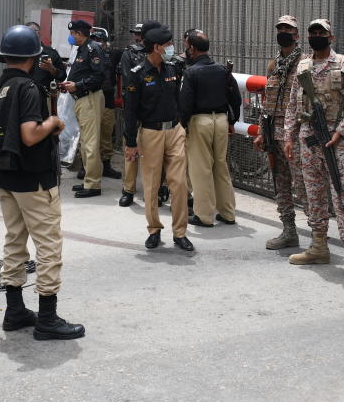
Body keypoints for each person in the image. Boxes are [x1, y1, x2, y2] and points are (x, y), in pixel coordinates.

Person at [0, 24, 85, 341]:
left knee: (15, 243)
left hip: (7, 178)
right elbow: (28, 135)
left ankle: (14, 312)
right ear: (32, 57)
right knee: (49, 247)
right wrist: (52, 122)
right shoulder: (27, 88)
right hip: (34, 179)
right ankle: (48, 319)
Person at [284, 19, 344, 282]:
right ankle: (319, 246)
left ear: (331, 37)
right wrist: (289, 135)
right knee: (313, 194)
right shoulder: (303, 66)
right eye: (313, 33)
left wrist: (340, 130)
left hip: (335, 141)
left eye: (322, 33)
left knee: (341, 196)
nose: (317, 36)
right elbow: (292, 104)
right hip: (308, 137)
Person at [124, 26, 193, 252]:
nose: (172, 48)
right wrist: (131, 142)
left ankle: (180, 232)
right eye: (168, 44)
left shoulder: (173, 68)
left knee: (179, 183)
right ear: (156, 47)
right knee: (152, 185)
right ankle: (154, 229)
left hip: (174, 131)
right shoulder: (137, 73)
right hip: (151, 134)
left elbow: (178, 100)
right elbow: (130, 110)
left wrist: (181, 124)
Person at [254, 15, 307, 249]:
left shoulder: (306, 62)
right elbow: (268, 101)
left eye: (288, 29)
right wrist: (260, 131)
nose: (283, 32)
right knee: (281, 184)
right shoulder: (274, 65)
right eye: (280, 28)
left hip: (295, 135)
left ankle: (318, 233)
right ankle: (289, 231)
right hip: (273, 133)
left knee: (305, 185)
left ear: (297, 35)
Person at [179, 31, 241, 227]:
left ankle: (204, 215)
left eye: (187, 47)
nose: (186, 50)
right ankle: (228, 213)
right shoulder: (222, 70)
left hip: (200, 122)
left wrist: (182, 124)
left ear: (193, 49)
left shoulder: (190, 72)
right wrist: (233, 120)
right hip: (221, 121)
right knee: (221, 167)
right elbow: (235, 99)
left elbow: (185, 103)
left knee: (201, 169)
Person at [115, 21, 161, 207]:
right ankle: (128, 189)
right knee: (131, 148)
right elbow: (129, 82)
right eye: (135, 33)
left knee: (156, 154)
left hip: (155, 111)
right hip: (135, 109)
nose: (137, 37)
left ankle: (159, 188)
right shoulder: (130, 54)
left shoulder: (161, 54)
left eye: (140, 34)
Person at [61, 19, 106, 198]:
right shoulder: (82, 49)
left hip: (89, 98)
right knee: (85, 141)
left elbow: (99, 76)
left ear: (79, 33)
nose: (71, 37)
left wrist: (77, 85)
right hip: (81, 99)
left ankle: (93, 184)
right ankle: (89, 179)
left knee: (91, 142)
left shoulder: (93, 48)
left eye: (73, 34)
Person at [91, 27, 123, 181]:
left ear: (106, 42)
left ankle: (106, 165)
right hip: (91, 99)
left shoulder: (113, 54)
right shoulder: (85, 54)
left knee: (106, 133)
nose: (97, 43)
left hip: (108, 100)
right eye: (94, 40)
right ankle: (88, 168)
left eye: (100, 40)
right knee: (90, 136)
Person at [25, 21, 66, 90]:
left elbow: (62, 76)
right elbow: (0, 57)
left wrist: (52, 69)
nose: (30, 34)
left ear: (39, 33)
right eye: (27, 32)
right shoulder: (20, 51)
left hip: (42, 94)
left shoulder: (51, 53)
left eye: (33, 31)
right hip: (22, 93)